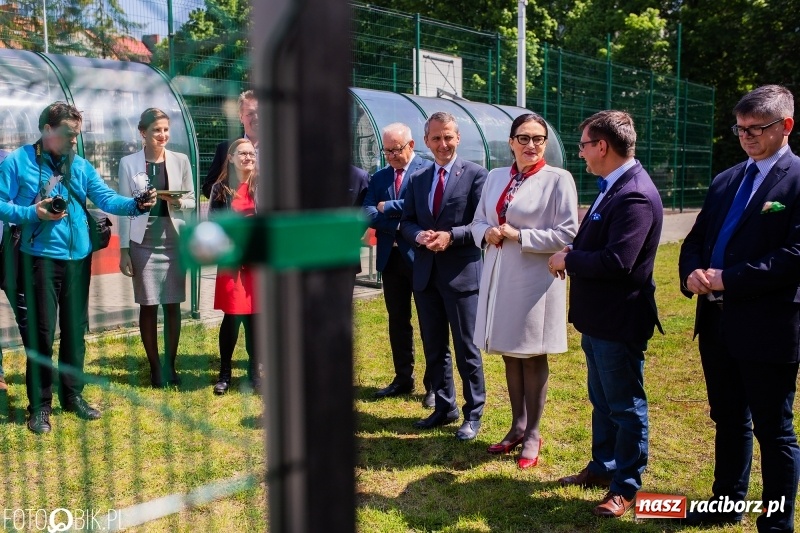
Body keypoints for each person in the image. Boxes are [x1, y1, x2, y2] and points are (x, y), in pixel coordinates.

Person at [678, 84, 800, 532]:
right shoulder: (727, 179)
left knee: (774, 429)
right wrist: (692, 274)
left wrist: (730, 278)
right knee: (728, 418)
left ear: (786, 126)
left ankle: (775, 523)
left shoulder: (797, 179)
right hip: (716, 321)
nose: (746, 136)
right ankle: (726, 503)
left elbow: (796, 254)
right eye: (740, 128)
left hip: (768, 324)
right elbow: (695, 240)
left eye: (757, 128)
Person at [0, 101, 156, 434]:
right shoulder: (18, 162)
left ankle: (72, 397)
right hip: (39, 260)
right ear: (47, 130)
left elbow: (106, 199)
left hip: (78, 261)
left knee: (75, 332)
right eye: (69, 134)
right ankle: (40, 408)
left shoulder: (81, 166)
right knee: (42, 336)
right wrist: (32, 213)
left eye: (77, 134)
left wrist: (135, 204)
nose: (74, 141)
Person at [548, 110, 663, 517]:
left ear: (602, 146)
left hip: (618, 321)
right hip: (598, 319)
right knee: (602, 400)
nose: (579, 154)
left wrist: (570, 258)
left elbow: (618, 261)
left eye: (582, 145)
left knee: (626, 406)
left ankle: (626, 485)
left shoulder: (633, 193)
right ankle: (604, 467)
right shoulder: (612, 185)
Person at [471, 113, 578, 468]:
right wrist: (485, 232)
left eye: (538, 138)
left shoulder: (558, 179)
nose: (531, 145)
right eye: (524, 138)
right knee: (509, 350)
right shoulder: (495, 177)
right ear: (511, 142)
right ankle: (517, 424)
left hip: (534, 280)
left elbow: (567, 233)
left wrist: (522, 236)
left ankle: (533, 432)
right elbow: (477, 221)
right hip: (499, 275)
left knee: (532, 353)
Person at [399, 111, 487, 441]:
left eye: (448, 136)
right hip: (425, 275)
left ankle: (473, 412)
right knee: (434, 347)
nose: (443, 143)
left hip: (461, 274)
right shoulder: (419, 179)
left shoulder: (476, 175)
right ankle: (445, 406)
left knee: (467, 348)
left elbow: (481, 223)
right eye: (436, 138)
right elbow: (406, 221)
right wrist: (418, 235)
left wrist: (452, 236)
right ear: (426, 142)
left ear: (458, 137)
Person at [118, 108, 196, 387]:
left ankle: (171, 366)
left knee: (173, 303)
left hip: (174, 238)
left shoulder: (181, 160)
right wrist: (124, 250)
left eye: (165, 129)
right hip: (143, 239)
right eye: (156, 130)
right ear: (143, 133)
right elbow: (124, 208)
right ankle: (155, 368)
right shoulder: (128, 163)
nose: (162, 135)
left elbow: (192, 200)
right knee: (148, 304)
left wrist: (177, 202)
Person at [363, 123, 434, 408]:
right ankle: (403, 378)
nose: (391, 155)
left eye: (397, 149)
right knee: (398, 321)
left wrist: (388, 207)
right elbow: (367, 212)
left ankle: (434, 385)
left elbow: (425, 209)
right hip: (390, 260)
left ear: (412, 145)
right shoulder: (379, 177)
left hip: (420, 257)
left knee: (430, 322)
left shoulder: (427, 171)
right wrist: (401, 212)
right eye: (387, 150)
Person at [209, 138, 259, 394]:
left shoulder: (264, 186)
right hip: (232, 262)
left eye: (251, 153)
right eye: (242, 153)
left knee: (257, 319)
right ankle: (225, 374)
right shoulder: (220, 189)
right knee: (233, 317)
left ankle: (254, 373)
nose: (248, 157)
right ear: (230, 158)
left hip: (258, 263)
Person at [201, 90, 258, 199]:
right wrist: (232, 194)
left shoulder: (282, 149)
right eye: (250, 113)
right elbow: (208, 188)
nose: (257, 117)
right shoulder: (225, 149)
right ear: (241, 117)